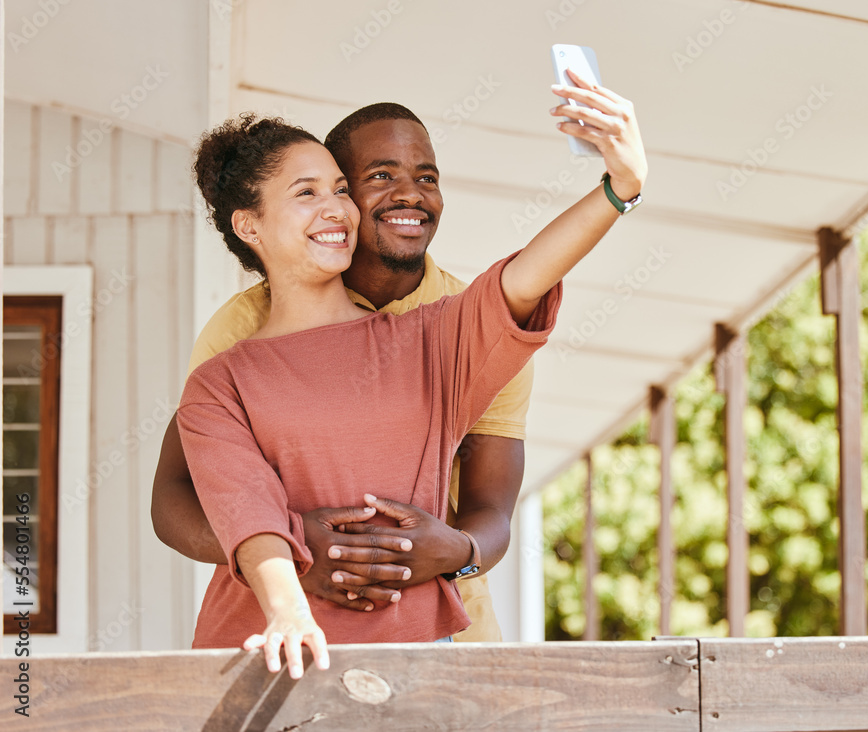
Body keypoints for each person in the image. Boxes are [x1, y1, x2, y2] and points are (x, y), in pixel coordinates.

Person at [178, 71, 645, 679]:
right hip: (263, 660)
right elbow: (246, 514)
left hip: (410, 663)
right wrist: (290, 608)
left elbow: (525, 277)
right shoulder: (221, 377)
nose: (336, 207)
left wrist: (620, 187)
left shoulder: (431, 340)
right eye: (306, 193)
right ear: (250, 226)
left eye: (340, 189)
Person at [152, 102, 537, 643]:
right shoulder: (244, 329)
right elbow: (178, 492)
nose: (409, 194)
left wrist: (461, 552)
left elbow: (492, 508)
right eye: (380, 176)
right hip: (286, 632)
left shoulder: (466, 322)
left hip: (443, 626)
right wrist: (291, 551)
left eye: (426, 177)